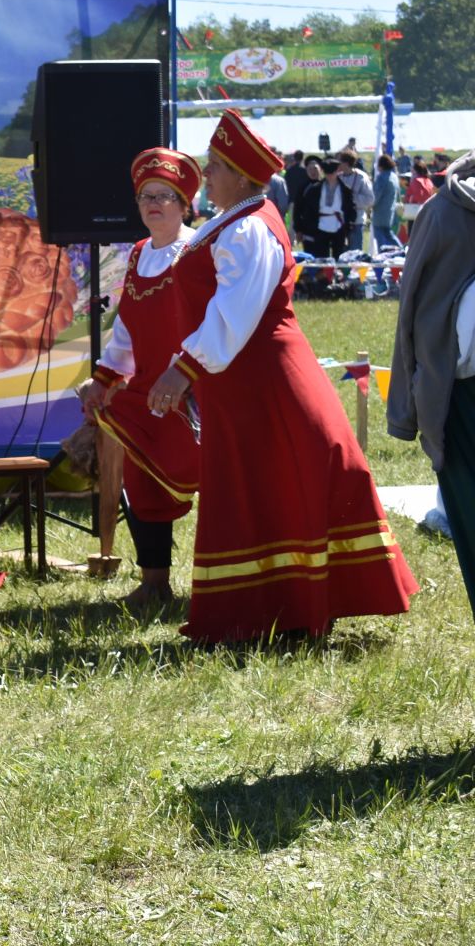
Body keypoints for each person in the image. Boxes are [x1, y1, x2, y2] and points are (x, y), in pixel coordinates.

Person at [145, 111, 417, 642]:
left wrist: (183, 369)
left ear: (244, 176)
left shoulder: (248, 227)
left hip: (266, 381)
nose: (208, 172)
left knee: (289, 482)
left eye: (217, 165)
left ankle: (299, 607)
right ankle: (266, 609)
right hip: (246, 383)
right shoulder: (237, 219)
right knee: (262, 488)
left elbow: (236, 310)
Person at [81, 148, 203, 612]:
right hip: (148, 391)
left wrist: (185, 377)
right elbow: (127, 327)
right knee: (141, 479)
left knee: (215, 480)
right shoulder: (136, 255)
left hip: (194, 390)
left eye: (165, 196)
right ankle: (155, 582)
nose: (154, 204)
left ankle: (223, 577)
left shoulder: (197, 251)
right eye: (146, 196)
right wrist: (103, 379)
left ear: (184, 203)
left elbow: (212, 322)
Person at [388, 152, 475, 618]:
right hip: (461, 396)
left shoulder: (439, 211)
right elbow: (413, 312)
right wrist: (408, 406)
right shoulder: (441, 212)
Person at [293, 157, 353, 259]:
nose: (330, 176)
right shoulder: (315, 189)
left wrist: (349, 224)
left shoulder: (345, 189)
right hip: (320, 225)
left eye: (332, 173)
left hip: (338, 224)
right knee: (321, 255)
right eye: (327, 173)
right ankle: (323, 274)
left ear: (337, 172)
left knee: (339, 254)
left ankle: (338, 273)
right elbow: (305, 209)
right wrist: (301, 228)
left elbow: (350, 207)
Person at [336, 150, 373, 253]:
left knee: (355, 251)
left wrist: (351, 199)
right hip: (340, 221)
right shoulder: (338, 177)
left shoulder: (361, 177)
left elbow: (370, 199)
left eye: (340, 162)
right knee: (341, 252)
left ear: (347, 163)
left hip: (357, 220)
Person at [371, 153, 399, 251]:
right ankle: (401, 250)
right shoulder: (394, 177)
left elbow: (376, 196)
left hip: (380, 213)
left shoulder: (382, 177)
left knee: (380, 238)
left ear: (381, 165)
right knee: (389, 234)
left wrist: (370, 204)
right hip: (390, 211)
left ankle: (382, 257)